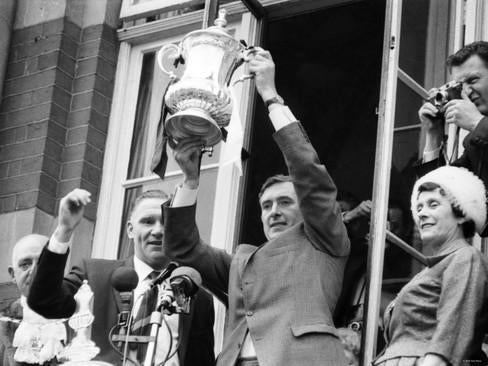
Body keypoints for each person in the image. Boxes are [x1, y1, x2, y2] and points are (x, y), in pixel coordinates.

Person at [162, 48, 350, 366]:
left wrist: (271, 96)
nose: (273, 211)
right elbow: (182, 249)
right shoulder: (242, 261)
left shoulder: (324, 237)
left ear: (307, 209)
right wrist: (191, 181)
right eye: (266, 205)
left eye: (285, 202)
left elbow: (309, 173)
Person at [27, 189, 215, 366]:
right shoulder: (93, 274)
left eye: (165, 223)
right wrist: (64, 230)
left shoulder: (198, 298)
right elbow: (44, 301)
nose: (158, 230)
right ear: (130, 230)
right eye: (148, 221)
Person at [374, 166, 488, 366]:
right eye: (419, 208)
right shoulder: (429, 271)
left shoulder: (464, 257)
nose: (422, 214)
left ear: (461, 213)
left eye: (432, 204)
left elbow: (452, 333)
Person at [418, 41, 488, 187]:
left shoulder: (479, 132)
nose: (466, 92)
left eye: (473, 80)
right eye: (460, 86)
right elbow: (442, 193)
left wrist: (476, 123)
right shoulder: (474, 141)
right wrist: (433, 136)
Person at [0, 234, 64, 366]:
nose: (35, 271)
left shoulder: (78, 321)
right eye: (25, 264)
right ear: (13, 274)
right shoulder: (3, 323)